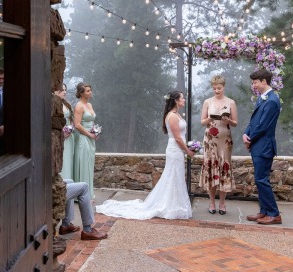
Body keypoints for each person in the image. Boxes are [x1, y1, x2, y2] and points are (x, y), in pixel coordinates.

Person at [96, 91, 195, 220]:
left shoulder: (177, 115)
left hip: (178, 149)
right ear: (176, 100)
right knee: (173, 175)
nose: (184, 100)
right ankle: (169, 205)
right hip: (175, 149)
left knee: (176, 175)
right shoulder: (172, 116)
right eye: (182, 98)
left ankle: (174, 204)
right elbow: (177, 137)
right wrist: (188, 151)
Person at [243, 69, 282, 225]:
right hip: (257, 144)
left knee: (262, 179)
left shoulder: (272, 100)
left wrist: (250, 139)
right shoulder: (262, 99)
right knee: (260, 180)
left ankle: (275, 214)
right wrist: (246, 134)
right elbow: (254, 121)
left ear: (264, 81)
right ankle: (264, 211)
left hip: (264, 146)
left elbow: (263, 126)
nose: (254, 85)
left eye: (255, 82)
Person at [199, 75, 238, 215]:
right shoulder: (207, 102)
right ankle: (211, 203)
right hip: (210, 140)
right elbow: (202, 122)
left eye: (219, 88)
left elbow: (235, 123)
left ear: (224, 87)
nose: (216, 90)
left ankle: (222, 203)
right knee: (211, 168)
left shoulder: (231, 102)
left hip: (225, 140)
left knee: (223, 168)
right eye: (214, 88)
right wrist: (209, 118)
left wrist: (228, 120)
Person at [73, 82, 98, 199]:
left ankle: (88, 192)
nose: (90, 92)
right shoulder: (79, 106)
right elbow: (77, 125)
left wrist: (95, 132)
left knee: (89, 165)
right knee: (83, 164)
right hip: (83, 138)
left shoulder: (90, 105)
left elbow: (91, 121)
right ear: (81, 93)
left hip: (91, 138)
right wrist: (89, 134)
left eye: (90, 90)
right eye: (88, 91)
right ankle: (82, 195)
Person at [55, 84, 75, 180]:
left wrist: (70, 128)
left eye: (65, 90)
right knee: (62, 159)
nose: (65, 92)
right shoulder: (53, 104)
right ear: (56, 91)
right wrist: (62, 132)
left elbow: (72, 119)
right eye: (62, 90)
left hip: (69, 137)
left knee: (68, 160)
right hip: (59, 135)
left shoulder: (66, 104)